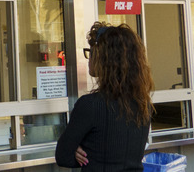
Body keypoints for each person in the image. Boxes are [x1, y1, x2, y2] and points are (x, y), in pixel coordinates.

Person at [55, 22, 154, 171]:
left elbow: (63, 156)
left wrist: (80, 152)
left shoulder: (90, 105)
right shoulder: (143, 103)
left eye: (91, 52)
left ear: (104, 59)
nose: (89, 59)